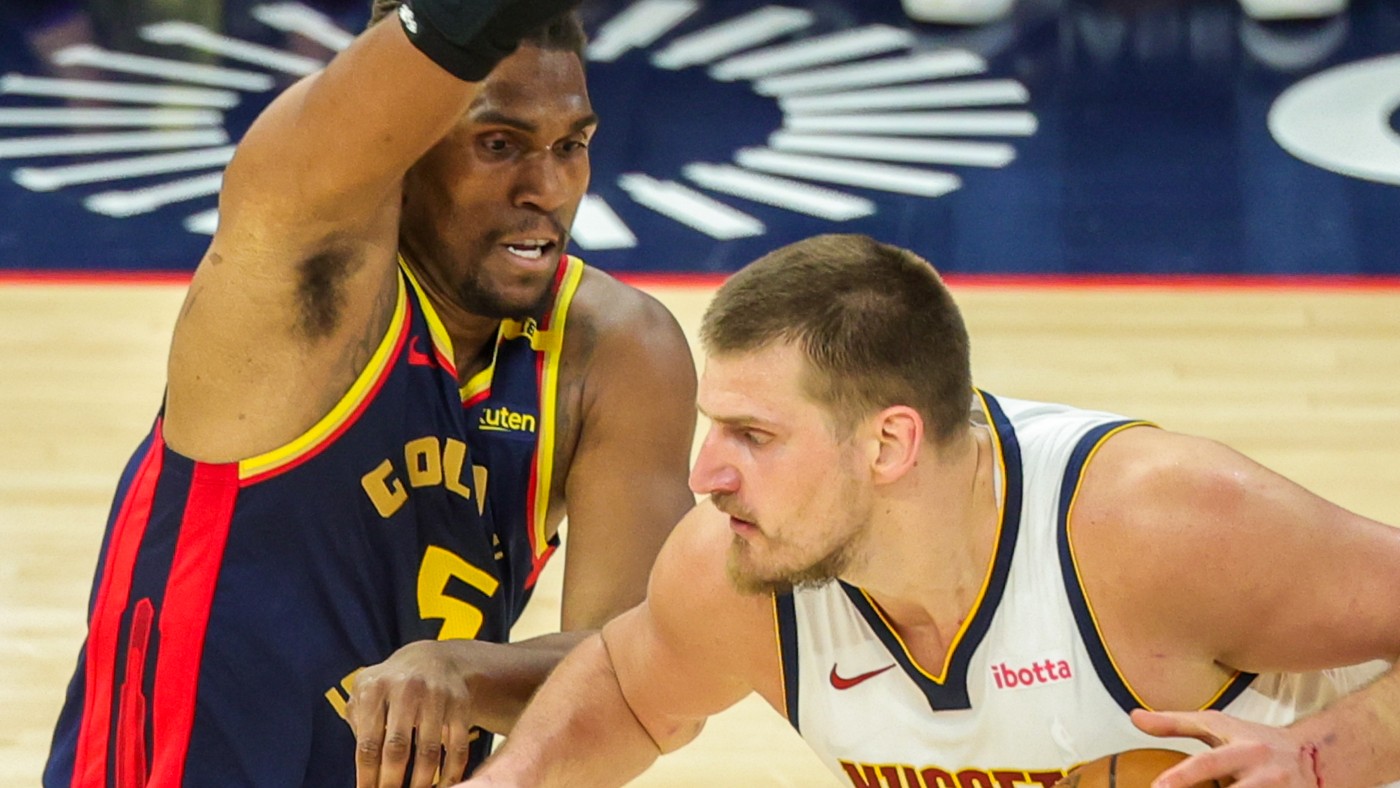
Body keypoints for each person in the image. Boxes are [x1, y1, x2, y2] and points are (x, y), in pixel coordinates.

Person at [460, 234, 1400, 788]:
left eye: (753, 434)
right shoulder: (736, 566)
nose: (706, 473)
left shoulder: (1159, 524)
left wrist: (1319, 760)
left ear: (888, 445)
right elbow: (627, 693)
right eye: (714, 425)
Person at [43, 1, 698, 785]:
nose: (547, 188)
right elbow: (339, 127)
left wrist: (464, 671)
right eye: (499, 144)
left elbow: (652, 674)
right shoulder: (294, 282)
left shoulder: (615, 355)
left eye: (572, 146)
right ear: (407, 150)